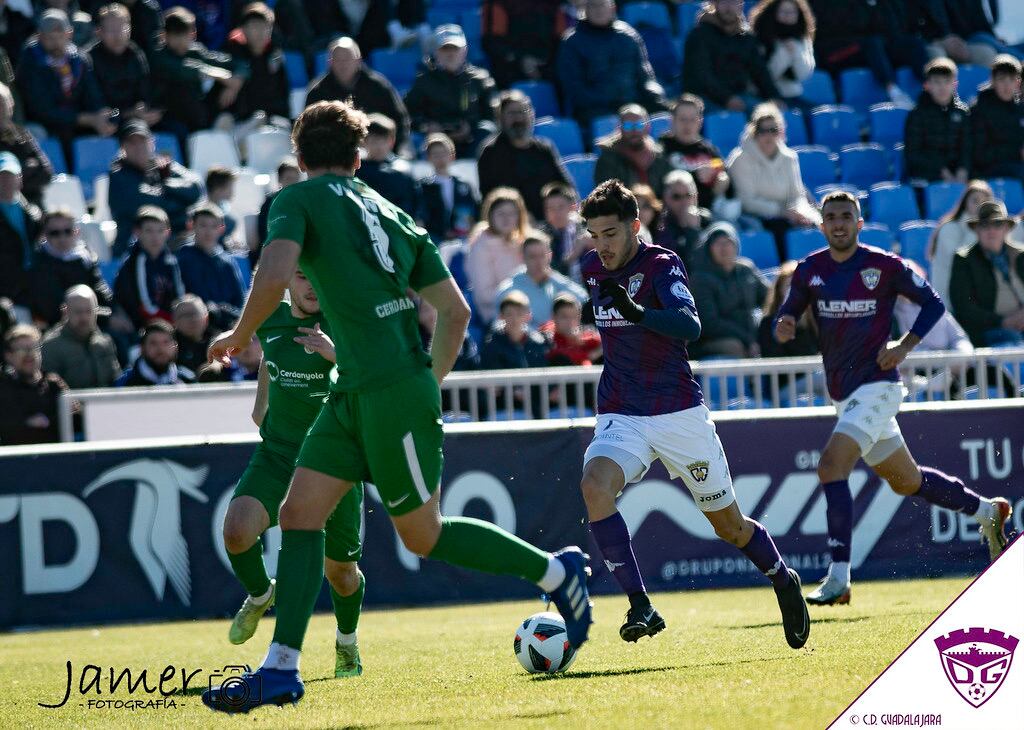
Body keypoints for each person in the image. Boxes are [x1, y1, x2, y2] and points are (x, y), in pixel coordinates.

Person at [202, 100, 592, 712]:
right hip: (360, 390)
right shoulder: (395, 214)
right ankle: (281, 670)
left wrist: (237, 335)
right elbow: (456, 315)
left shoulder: (297, 201)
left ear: (300, 159)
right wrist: (424, 382)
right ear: (359, 159)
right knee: (299, 514)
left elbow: (275, 274)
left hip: (382, 391)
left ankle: (554, 573)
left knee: (423, 535)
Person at [577, 179, 808, 646]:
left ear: (635, 227)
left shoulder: (662, 264)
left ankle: (783, 578)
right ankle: (640, 606)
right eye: (594, 235)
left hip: (677, 412)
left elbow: (690, 325)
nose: (600, 246)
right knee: (594, 486)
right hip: (622, 411)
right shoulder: (590, 268)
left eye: (610, 234)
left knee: (728, 526)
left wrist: (639, 312)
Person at [774, 191, 1012, 605]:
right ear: (822, 223)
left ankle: (839, 578)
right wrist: (786, 321)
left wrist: (904, 346)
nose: (838, 223)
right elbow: (790, 306)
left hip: (879, 386)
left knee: (832, 466)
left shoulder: (883, 266)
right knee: (908, 480)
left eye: (846, 216)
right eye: (830, 217)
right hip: (844, 395)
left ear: (860, 222)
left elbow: (933, 304)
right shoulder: (810, 269)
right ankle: (988, 512)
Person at [220, 269, 367, 677]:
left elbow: (372, 375)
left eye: (317, 276)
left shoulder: (344, 320)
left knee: (341, 575)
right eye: (302, 276)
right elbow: (269, 349)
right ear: (286, 282)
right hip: (278, 453)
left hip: (332, 462)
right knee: (236, 532)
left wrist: (334, 354)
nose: (311, 285)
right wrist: (261, 401)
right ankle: (261, 593)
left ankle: (347, 643)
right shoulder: (270, 316)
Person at [726, 103, 820, 261]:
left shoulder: (790, 158)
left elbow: (797, 195)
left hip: (786, 214)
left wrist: (799, 213)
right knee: (781, 228)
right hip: (755, 216)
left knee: (813, 225)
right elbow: (746, 202)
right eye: (763, 131)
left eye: (774, 130)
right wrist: (782, 212)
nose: (769, 136)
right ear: (754, 132)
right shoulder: (741, 158)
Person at [556, 0, 666, 128]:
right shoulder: (572, 42)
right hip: (595, 108)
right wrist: (607, 100)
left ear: (613, 7)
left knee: (663, 114)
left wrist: (654, 93)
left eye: (602, 4)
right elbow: (574, 88)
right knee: (613, 122)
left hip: (631, 102)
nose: (598, 10)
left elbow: (645, 76)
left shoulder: (628, 36)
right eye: (593, 5)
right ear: (585, 9)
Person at [15, 9, 114, 148]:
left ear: (69, 33)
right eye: (50, 38)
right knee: (37, 133)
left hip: (75, 123)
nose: (56, 43)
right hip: (44, 124)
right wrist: (84, 119)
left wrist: (101, 115)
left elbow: (93, 95)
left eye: (60, 36)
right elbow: (42, 110)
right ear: (40, 36)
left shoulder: (80, 60)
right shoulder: (30, 61)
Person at [108, 119, 203, 256]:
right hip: (136, 248)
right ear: (123, 148)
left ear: (152, 143)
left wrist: (166, 184)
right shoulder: (118, 175)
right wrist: (182, 204)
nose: (138, 147)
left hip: (172, 238)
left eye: (142, 141)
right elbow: (149, 205)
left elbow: (195, 189)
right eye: (132, 143)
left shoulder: (161, 166)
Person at [404, 25, 496, 158]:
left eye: (455, 48)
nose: (450, 54)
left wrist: (469, 127)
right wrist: (427, 126)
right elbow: (406, 114)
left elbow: (491, 116)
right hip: (435, 141)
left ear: (464, 51)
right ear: (436, 52)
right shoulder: (424, 81)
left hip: (471, 141)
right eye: (444, 49)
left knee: (487, 130)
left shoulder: (480, 80)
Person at [477, 90, 571, 220]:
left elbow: (565, 187)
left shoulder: (544, 148)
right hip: (513, 223)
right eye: (511, 113)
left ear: (532, 115)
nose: (518, 118)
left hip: (551, 220)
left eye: (522, 111)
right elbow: (491, 198)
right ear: (500, 118)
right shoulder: (491, 152)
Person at [305, 36, 410, 152]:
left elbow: (399, 121)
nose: (343, 64)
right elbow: (308, 127)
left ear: (358, 60)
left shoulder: (378, 87)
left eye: (347, 59)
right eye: (338, 60)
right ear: (330, 62)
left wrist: (387, 150)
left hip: (375, 155)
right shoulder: (318, 92)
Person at [809, 0, 921, 107]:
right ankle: (893, 91)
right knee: (871, 43)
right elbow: (836, 26)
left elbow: (882, 28)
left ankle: (929, 86)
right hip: (832, 53)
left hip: (863, 47)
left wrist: (872, 5)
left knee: (912, 43)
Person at [150, 6, 242, 134]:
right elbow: (184, 70)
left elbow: (234, 64)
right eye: (175, 34)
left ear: (193, 33)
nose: (181, 40)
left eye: (185, 34)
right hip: (166, 115)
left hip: (196, 114)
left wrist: (235, 83)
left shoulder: (196, 51)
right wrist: (220, 76)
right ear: (164, 35)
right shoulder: (159, 55)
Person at [682, 0, 784, 114]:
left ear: (740, 5)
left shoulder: (745, 37)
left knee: (770, 113)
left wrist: (774, 97)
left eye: (733, 2)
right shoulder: (699, 35)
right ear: (715, 4)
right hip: (704, 99)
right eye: (724, 2)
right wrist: (727, 98)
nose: (728, 7)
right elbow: (702, 75)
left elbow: (760, 71)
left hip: (739, 96)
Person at [949, 200, 1024, 347]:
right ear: (976, 230)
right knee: (1013, 341)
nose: (991, 230)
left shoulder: (1021, 256)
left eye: (997, 224)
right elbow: (964, 307)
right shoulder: (963, 260)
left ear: (1006, 228)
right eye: (984, 225)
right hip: (988, 331)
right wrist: (1002, 321)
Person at [689, 222, 769, 358]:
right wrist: (747, 340)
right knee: (734, 346)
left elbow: (769, 298)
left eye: (728, 242)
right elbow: (710, 323)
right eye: (718, 243)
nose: (724, 248)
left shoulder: (746, 269)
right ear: (709, 248)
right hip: (711, 340)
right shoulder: (700, 279)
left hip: (749, 335)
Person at [29, 207, 114, 328]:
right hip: (59, 330)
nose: (62, 238)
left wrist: (114, 312)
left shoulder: (85, 257)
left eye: (67, 231)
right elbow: (53, 310)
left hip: (92, 321)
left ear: (76, 232)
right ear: (45, 235)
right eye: (55, 233)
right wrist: (105, 318)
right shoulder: (40, 264)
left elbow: (100, 290)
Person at [84, 3, 162, 128]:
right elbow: (98, 107)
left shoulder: (136, 54)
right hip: (103, 125)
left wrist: (143, 108)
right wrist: (130, 113)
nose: (118, 35)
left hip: (135, 121)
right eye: (111, 29)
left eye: (122, 28)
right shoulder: (88, 60)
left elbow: (144, 93)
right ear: (99, 32)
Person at [465, 186, 531, 323]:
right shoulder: (481, 246)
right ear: (490, 216)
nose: (506, 219)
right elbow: (484, 295)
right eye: (501, 213)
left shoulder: (524, 243)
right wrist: (524, 298)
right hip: (498, 316)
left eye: (512, 213)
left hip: (529, 309)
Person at [112, 206, 186, 329]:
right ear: (137, 232)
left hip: (169, 322)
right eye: (149, 231)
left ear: (168, 232)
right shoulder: (134, 263)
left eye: (160, 231)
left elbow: (180, 296)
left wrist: (182, 315)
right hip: (142, 325)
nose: (155, 237)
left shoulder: (171, 261)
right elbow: (146, 308)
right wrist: (174, 321)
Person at [658, 94, 730, 214]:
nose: (688, 125)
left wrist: (723, 180)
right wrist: (696, 175)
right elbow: (662, 181)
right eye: (682, 119)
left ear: (700, 122)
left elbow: (721, 169)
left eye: (692, 119)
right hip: (673, 212)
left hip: (709, 210)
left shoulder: (708, 149)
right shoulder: (662, 147)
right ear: (672, 121)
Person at [176, 202, 244, 328]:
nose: (208, 232)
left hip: (227, 326)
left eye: (214, 226)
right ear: (191, 225)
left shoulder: (227, 263)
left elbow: (240, 301)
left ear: (221, 228)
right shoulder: (183, 259)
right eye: (203, 225)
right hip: (197, 326)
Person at [927, 179, 993, 308]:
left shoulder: (988, 230)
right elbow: (959, 263)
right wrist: (975, 228)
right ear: (965, 203)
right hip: (947, 305)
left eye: (985, 203)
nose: (980, 206)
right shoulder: (949, 228)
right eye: (975, 201)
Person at [40, 284, 121, 389]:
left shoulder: (105, 342)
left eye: (89, 311)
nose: (84, 317)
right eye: (78, 312)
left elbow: (116, 381)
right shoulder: (50, 346)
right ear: (65, 312)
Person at [904, 58, 970, 185]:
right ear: (927, 85)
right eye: (937, 82)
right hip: (928, 175)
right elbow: (913, 155)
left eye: (947, 82)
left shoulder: (962, 113)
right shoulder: (916, 115)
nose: (942, 87)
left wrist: (964, 169)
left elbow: (967, 147)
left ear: (955, 84)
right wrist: (941, 171)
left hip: (958, 175)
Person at [495, 233, 588, 324]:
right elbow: (499, 326)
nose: (538, 262)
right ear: (522, 257)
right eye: (532, 257)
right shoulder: (507, 290)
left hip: (554, 338)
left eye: (542, 256)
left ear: (550, 256)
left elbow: (583, 299)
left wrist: (553, 276)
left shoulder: (556, 281)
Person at [0, 324, 69, 445]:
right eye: (21, 349)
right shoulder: (3, 387)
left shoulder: (54, 384)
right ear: (8, 356)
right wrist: (26, 423)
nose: (29, 354)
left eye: (33, 348)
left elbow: (76, 418)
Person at [223, 2, 289, 125]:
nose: (260, 32)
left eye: (265, 26)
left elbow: (283, 96)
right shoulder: (231, 57)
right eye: (254, 26)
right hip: (240, 122)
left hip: (273, 120)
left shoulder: (275, 57)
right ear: (243, 29)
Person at [481, 0, 569, 88]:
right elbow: (492, 42)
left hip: (547, 67)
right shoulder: (498, 3)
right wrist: (521, 60)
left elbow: (561, 41)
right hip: (511, 70)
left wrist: (543, 65)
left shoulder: (554, 4)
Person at [749, 0, 817, 113]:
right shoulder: (761, 38)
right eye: (783, 11)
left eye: (792, 12)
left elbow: (803, 74)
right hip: (765, 97)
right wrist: (782, 54)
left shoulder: (801, 38)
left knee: (820, 114)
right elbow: (765, 76)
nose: (788, 16)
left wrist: (796, 53)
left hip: (793, 96)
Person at [593, 104, 672, 198]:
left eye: (639, 125)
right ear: (619, 128)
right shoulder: (608, 159)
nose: (634, 131)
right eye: (628, 126)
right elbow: (607, 197)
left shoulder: (659, 155)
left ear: (648, 126)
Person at [969, 54, 1024, 180]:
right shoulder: (979, 110)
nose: (1007, 84)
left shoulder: (1020, 109)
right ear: (992, 81)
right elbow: (980, 155)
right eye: (1002, 79)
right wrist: (1016, 153)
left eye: (1012, 79)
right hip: (988, 171)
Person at [416, 133, 478, 243]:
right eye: (435, 154)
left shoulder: (463, 185)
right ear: (428, 158)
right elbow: (421, 215)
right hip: (434, 239)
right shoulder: (423, 186)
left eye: (444, 153)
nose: (440, 158)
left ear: (452, 155)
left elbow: (471, 215)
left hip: (460, 239)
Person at [0, 81, 53, 206]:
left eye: (2, 104)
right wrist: (26, 168)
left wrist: (15, 175)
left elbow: (46, 173)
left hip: (30, 205)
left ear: (10, 105)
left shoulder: (22, 135)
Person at [0, 151, 41, 309]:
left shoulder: (34, 214)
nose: (6, 181)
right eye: (2, 176)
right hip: (6, 290)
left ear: (20, 179)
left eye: (11, 175)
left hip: (31, 285)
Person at [355, 113, 418, 216]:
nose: (379, 146)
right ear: (364, 141)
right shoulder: (357, 170)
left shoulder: (403, 170)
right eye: (374, 141)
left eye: (384, 140)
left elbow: (413, 202)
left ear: (392, 141)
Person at [653, 169, 711, 270]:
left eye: (688, 195)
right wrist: (692, 231)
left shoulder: (706, 220)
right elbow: (682, 266)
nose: (684, 202)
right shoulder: (659, 226)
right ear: (665, 199)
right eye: (676, 197)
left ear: (696, 196)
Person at [758, 259, 817, 358]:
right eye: (789, 286)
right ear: (780, 289)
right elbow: (772, 357)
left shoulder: (816, 319)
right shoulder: (767, 323)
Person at [479, 289, 549, 370]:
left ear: (528, 316)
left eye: (519, 314)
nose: (514, 319)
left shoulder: (538, 343)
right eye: (509, 314)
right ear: (501, 316)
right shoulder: (492, 344)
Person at [115, 318, 195, 385]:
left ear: (175, 347)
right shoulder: (124, 383)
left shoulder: (188, 381)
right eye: (153, 343)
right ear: (142, 348)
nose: (160, 348)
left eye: (166, 342)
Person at [541, 293, 602, 366]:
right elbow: (556, 354)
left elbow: (604, 344)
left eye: (574, 316)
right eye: (564, 317)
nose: (570, 321)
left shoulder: (584, 334)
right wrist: (591, 355)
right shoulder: (547, 334)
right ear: (554, 317)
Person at [256, 157, 301, 251]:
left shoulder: (303, 201)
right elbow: (264, 231)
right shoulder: (270, 202)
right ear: (279, 180)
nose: (293, 183)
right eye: (289, 179)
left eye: (296, 179)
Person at [171, 293, 216, 373]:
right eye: (185, 315)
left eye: (196, 313)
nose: (192, 319)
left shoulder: (219, 343)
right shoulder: (169, 347)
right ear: (175, 322)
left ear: (206, 318)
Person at [204, 165, 241, 250]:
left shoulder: (223, 208)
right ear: (218, 189)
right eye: (230, 187)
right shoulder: (204, 213)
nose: (233, 192)